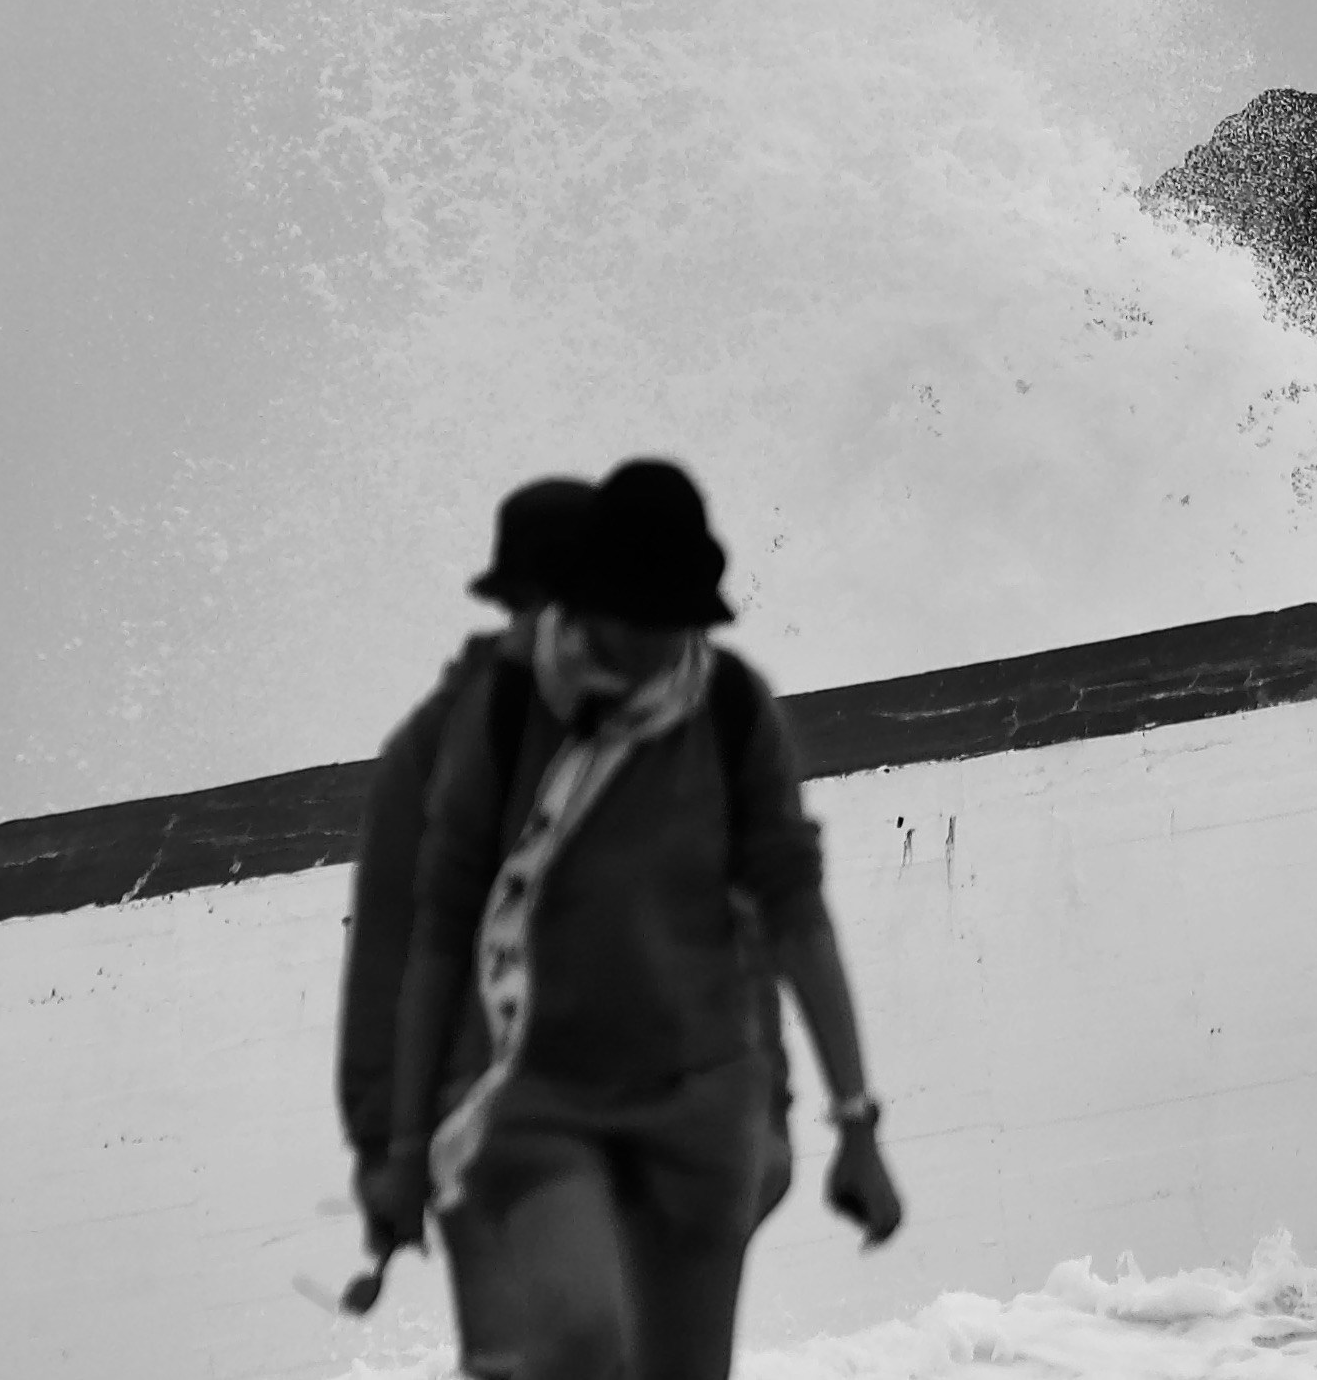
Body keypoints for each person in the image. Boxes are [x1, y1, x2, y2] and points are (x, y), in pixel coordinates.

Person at [366, 460, 901, 1380]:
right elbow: (442, 934)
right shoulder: (499, 719)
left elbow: (794, 918)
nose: (664, 641)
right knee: (582, 1339)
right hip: (542, 1102)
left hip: (701, 1107)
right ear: (587, 601)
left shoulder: (732, 711)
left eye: (679, 615)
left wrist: (852, 1119)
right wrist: (407, 1142)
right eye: (639, 614)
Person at [339, 473, 595, 1215]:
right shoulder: (441, 748)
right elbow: (402, 948)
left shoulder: (644, 730)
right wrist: (394, 1146)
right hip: (490, 1121)